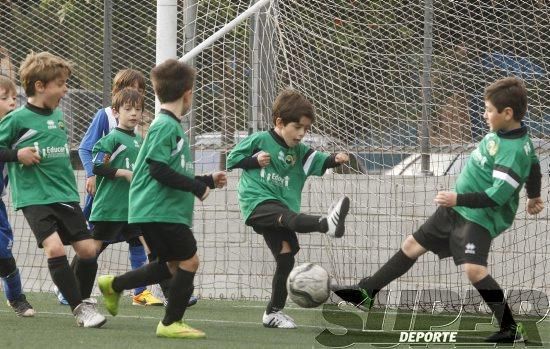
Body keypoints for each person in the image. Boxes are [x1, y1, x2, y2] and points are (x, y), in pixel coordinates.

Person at [333, 77, 544, 343]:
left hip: (477, 217)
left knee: (474, 270)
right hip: (455, 209)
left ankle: (511, 328)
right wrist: (534, 195)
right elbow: (535, 166)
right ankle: (366, 293)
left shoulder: (514, 151)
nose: (484, 114)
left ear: (507, 113)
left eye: (489, 110)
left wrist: (458, 199)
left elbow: (496, 197)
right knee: (411, 245)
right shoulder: (508, 133)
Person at [98, 59, 226, 338]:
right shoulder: (165, 126)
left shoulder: (169, 126)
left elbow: (169, 170)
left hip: (157, 210)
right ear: (188, 93)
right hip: (159, 210)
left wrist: (206, 181)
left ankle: (114, 285)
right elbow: (157, 169)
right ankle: (171, 323)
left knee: (167, 266)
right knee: (189, 262)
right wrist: (196, 188)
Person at [226, 88, 351, 329]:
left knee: (286, 258)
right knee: (288, 217)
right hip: (257, 202)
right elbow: (232, 159)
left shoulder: (300, 152)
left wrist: (335, 158)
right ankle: (327, 224)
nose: (302, 133)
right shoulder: (260, 140)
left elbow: (320, 161)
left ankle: (272, 313)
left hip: (279, 207)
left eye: (306, 129)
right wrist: (254, 160)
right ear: (279, 122)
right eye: (298, 127)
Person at [0, 51, 106, 327]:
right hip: (34, 198)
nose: (65, 89)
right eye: (60, 84)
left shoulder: (58, 115)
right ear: (40, 86)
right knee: (55, 249)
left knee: (88, 251)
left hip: (65, 195)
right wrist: (17, 155)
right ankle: (79, 309)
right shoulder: (16, 119)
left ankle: (78, 297)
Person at [70, 69, 165, 307]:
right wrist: (100, 173)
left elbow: (143, 167)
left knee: (147, 245)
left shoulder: (139, 136)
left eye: (139, 102)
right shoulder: (108, 128)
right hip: (109, 203)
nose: (134, 111)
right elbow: (92, 156)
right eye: (128, 105)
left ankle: (151, 291)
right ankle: (71, 289)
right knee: (92, 249)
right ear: (116, 102)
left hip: (132, 206)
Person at [0, 75, 35, 317]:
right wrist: (16, 155)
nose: (12, 101)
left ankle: (16, 298)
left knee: (4, 253)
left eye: (14, 97)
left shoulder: (14, 130)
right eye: (4, 98)